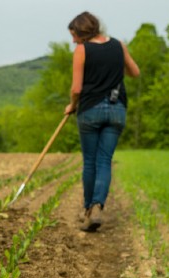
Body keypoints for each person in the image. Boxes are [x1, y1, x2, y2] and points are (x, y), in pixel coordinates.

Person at [65, 11, 139, 232]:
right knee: (104, 160)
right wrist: (115, 66)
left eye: (74, 35)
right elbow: (135, 72)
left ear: (82, 32)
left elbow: (77, 88)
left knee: (90, 162)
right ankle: (97, 205)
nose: (73, 40)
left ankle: (88, 208)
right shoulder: (118, 45)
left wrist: (71, 106)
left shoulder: (81, 50)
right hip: (117, 110)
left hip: (90, 110)